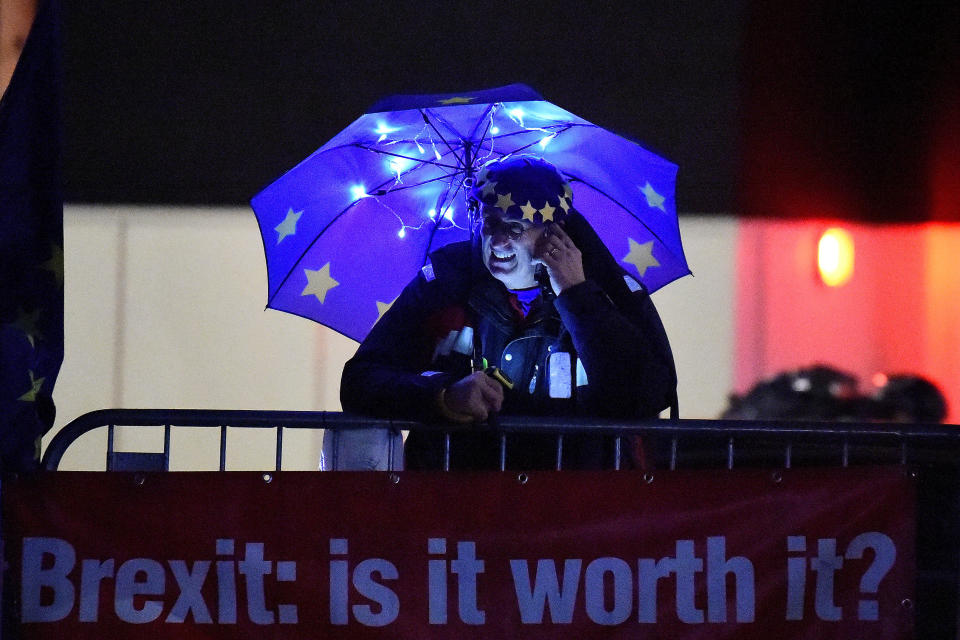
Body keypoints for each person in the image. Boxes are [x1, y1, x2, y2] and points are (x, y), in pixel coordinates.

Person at [339, 155, 677, 470]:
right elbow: (360, 381)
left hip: (578, 507)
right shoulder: (446, 281)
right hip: (462, 498)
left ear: (553, 232)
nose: (498, 242)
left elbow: (645, 396)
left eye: (515, 228)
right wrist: (443, 397)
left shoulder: (610, 287)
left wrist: (577, 296)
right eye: (490, 224)